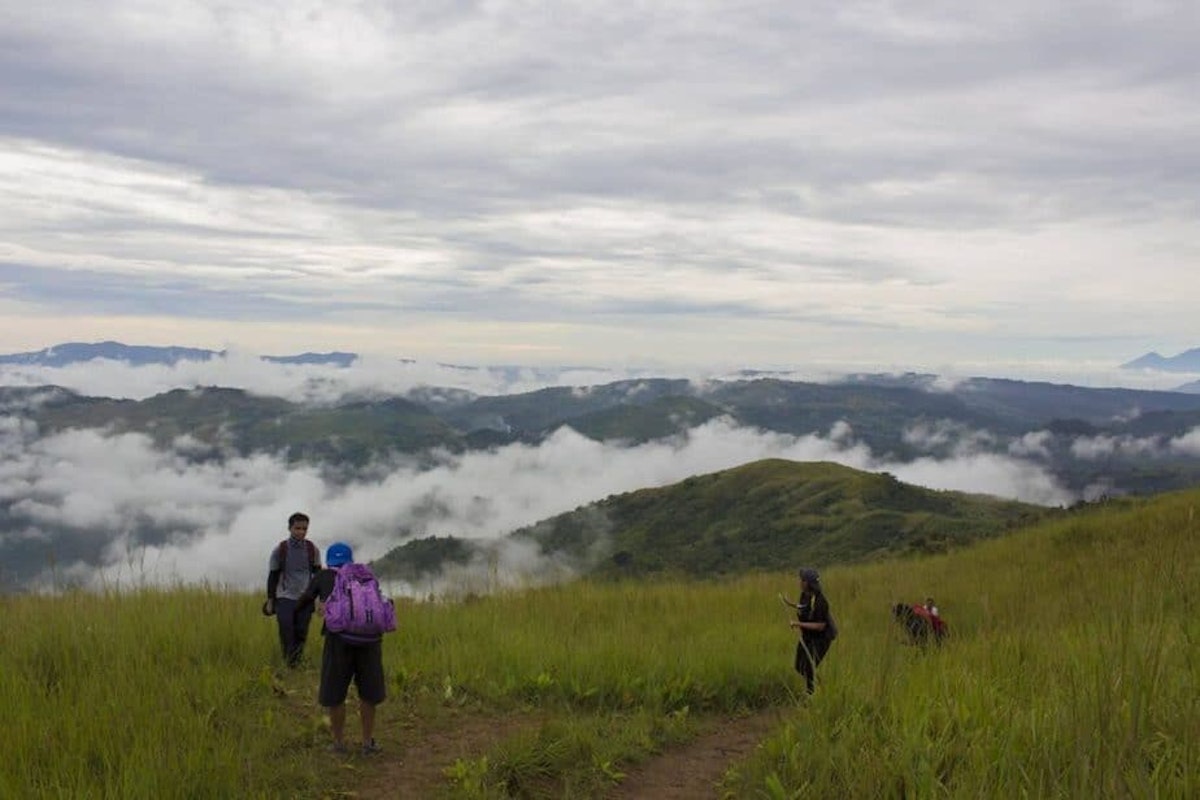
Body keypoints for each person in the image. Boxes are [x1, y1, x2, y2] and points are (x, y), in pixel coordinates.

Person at [295, 541, 388, 756]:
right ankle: (367, 743)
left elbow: (304, 601)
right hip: (370, 640)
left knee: (335, 694)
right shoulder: (366, 576)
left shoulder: (323, 576)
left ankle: (338, 744)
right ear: (351, 560)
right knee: (368, 694)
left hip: (338, 640)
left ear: (329, 561)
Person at [265, 512, 321, 667]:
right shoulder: (280, 549)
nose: (301, 532)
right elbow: (273, 576)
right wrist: (270, 601)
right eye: (298, 528)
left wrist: (320, 599)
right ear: (290, 528)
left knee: (301, 631)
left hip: (306, 597)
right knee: (286, 631)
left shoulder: (312, 549)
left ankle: (296, 662)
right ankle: (289, 663)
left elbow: (318, 576)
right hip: (284, 597)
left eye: (304, 529)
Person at [789, 567, 833, 693]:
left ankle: (812, 695)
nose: (799, 582)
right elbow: (803, 608)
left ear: (807, 583)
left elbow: (820, 626)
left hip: (822, 638)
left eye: (802, 580)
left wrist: (798, 624)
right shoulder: (804, 595)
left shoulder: (821, 601)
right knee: (799, 666)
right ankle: (818, 685)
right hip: (808, 636)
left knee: (809, 668)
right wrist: (790, 604)